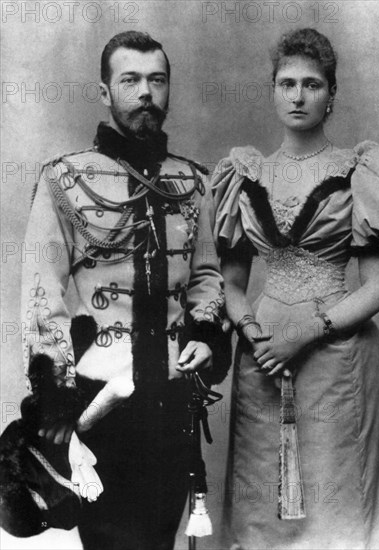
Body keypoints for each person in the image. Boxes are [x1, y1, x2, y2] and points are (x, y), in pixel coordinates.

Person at [21, 30, 228, 550]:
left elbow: (206, 275)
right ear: (104, 90)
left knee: (160, 536)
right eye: (130, 80)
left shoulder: (194, 183)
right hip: (99, 400)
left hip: (175, 395)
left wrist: (206, 331)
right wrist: (56, 397)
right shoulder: (64, 180)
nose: (145, 94)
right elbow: (43, 294)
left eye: (156, 81)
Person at [211, 28, 379, 550]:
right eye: (287, 83)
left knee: (335, 502)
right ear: (273, 90)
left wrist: (303, 333)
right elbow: (231, 284)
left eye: (312, 85)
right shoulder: (243, 174)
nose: (298, 96)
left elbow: (378, 288)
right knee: (263, 508)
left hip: (335, 351)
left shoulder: (360, 172)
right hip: (263, 357)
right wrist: (252, 332)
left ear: (332, 94)